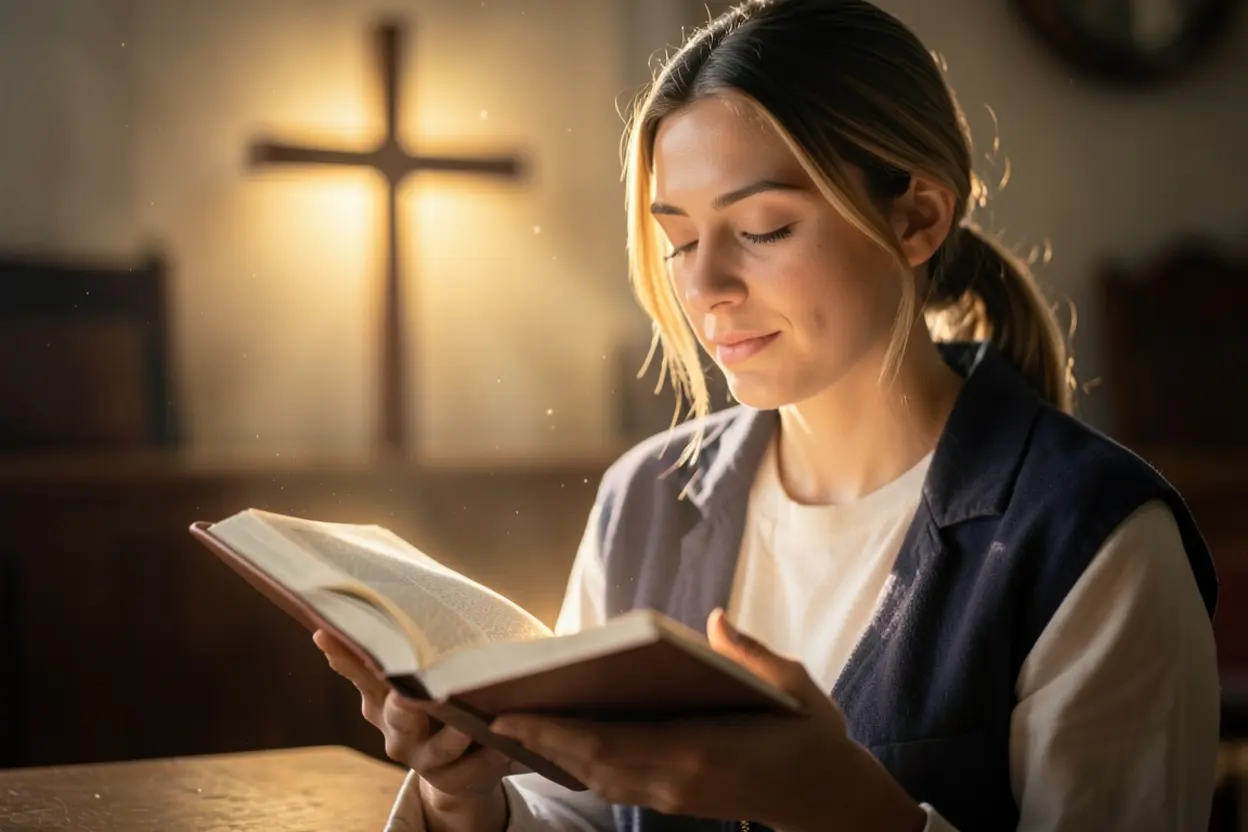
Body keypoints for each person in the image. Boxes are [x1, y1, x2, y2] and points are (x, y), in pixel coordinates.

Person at [314, 1, 1222, 829]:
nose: (703, 286)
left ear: (918, 218)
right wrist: (464, 795)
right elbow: (579, 813)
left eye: (763, 230)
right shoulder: (646, 501)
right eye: (677, 240)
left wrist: (844, 808)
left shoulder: (1095, 544)